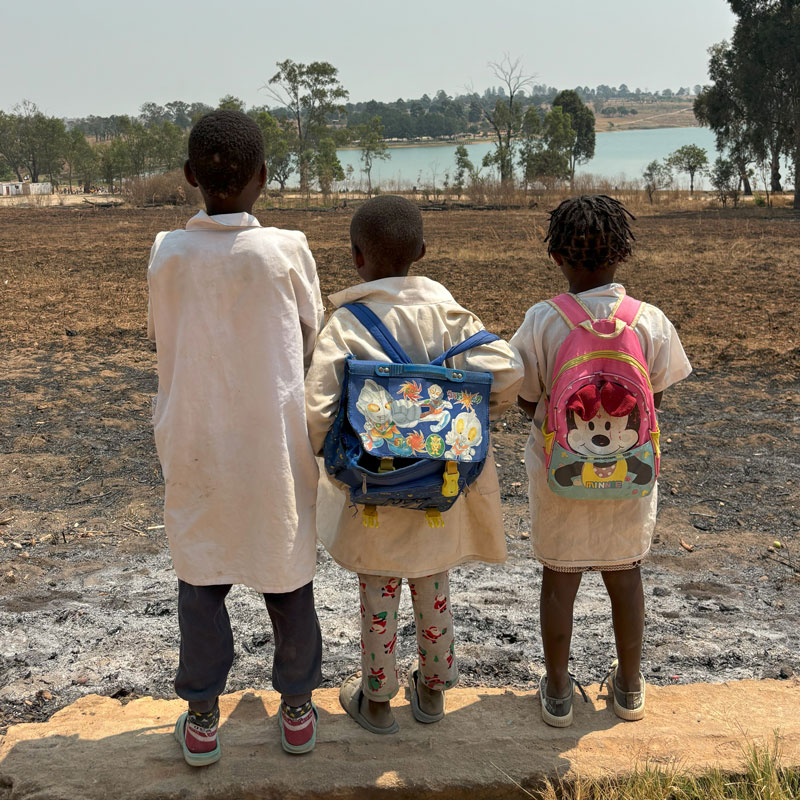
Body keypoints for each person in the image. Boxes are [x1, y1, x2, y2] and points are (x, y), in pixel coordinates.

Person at [306, 195, 523, 734]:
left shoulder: (348, 323)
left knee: (377, 595)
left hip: (371, 485)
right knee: (433, 586)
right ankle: (432, 693)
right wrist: (471, 412)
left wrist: (328, 455)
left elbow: (317, 409)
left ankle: (376, 699)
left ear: (356, 257)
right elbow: (508, 370)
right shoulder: (453, 317)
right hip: (440, 487)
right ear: (423, 251)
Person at [146, 110, 325, 763]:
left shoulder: (167, 252)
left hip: (194, 437)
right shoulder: (288, 249)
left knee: (201, 574)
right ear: (264, 178)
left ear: (191, 176)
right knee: (286, 567)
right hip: (273, 441)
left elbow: (161, 336)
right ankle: (299, 706)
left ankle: (200, 716)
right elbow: (310, 333)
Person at [510, 195, 692, 727]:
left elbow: (524, 391)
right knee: (626, 575)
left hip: (560, 471)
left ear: (558, 257)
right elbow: (657, 389)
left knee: (559, 579)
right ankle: (630, 687)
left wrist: (546, 415)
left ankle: (560, 692)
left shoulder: (544, 320)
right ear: (623, 252)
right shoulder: (649, 320)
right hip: (630, 475)